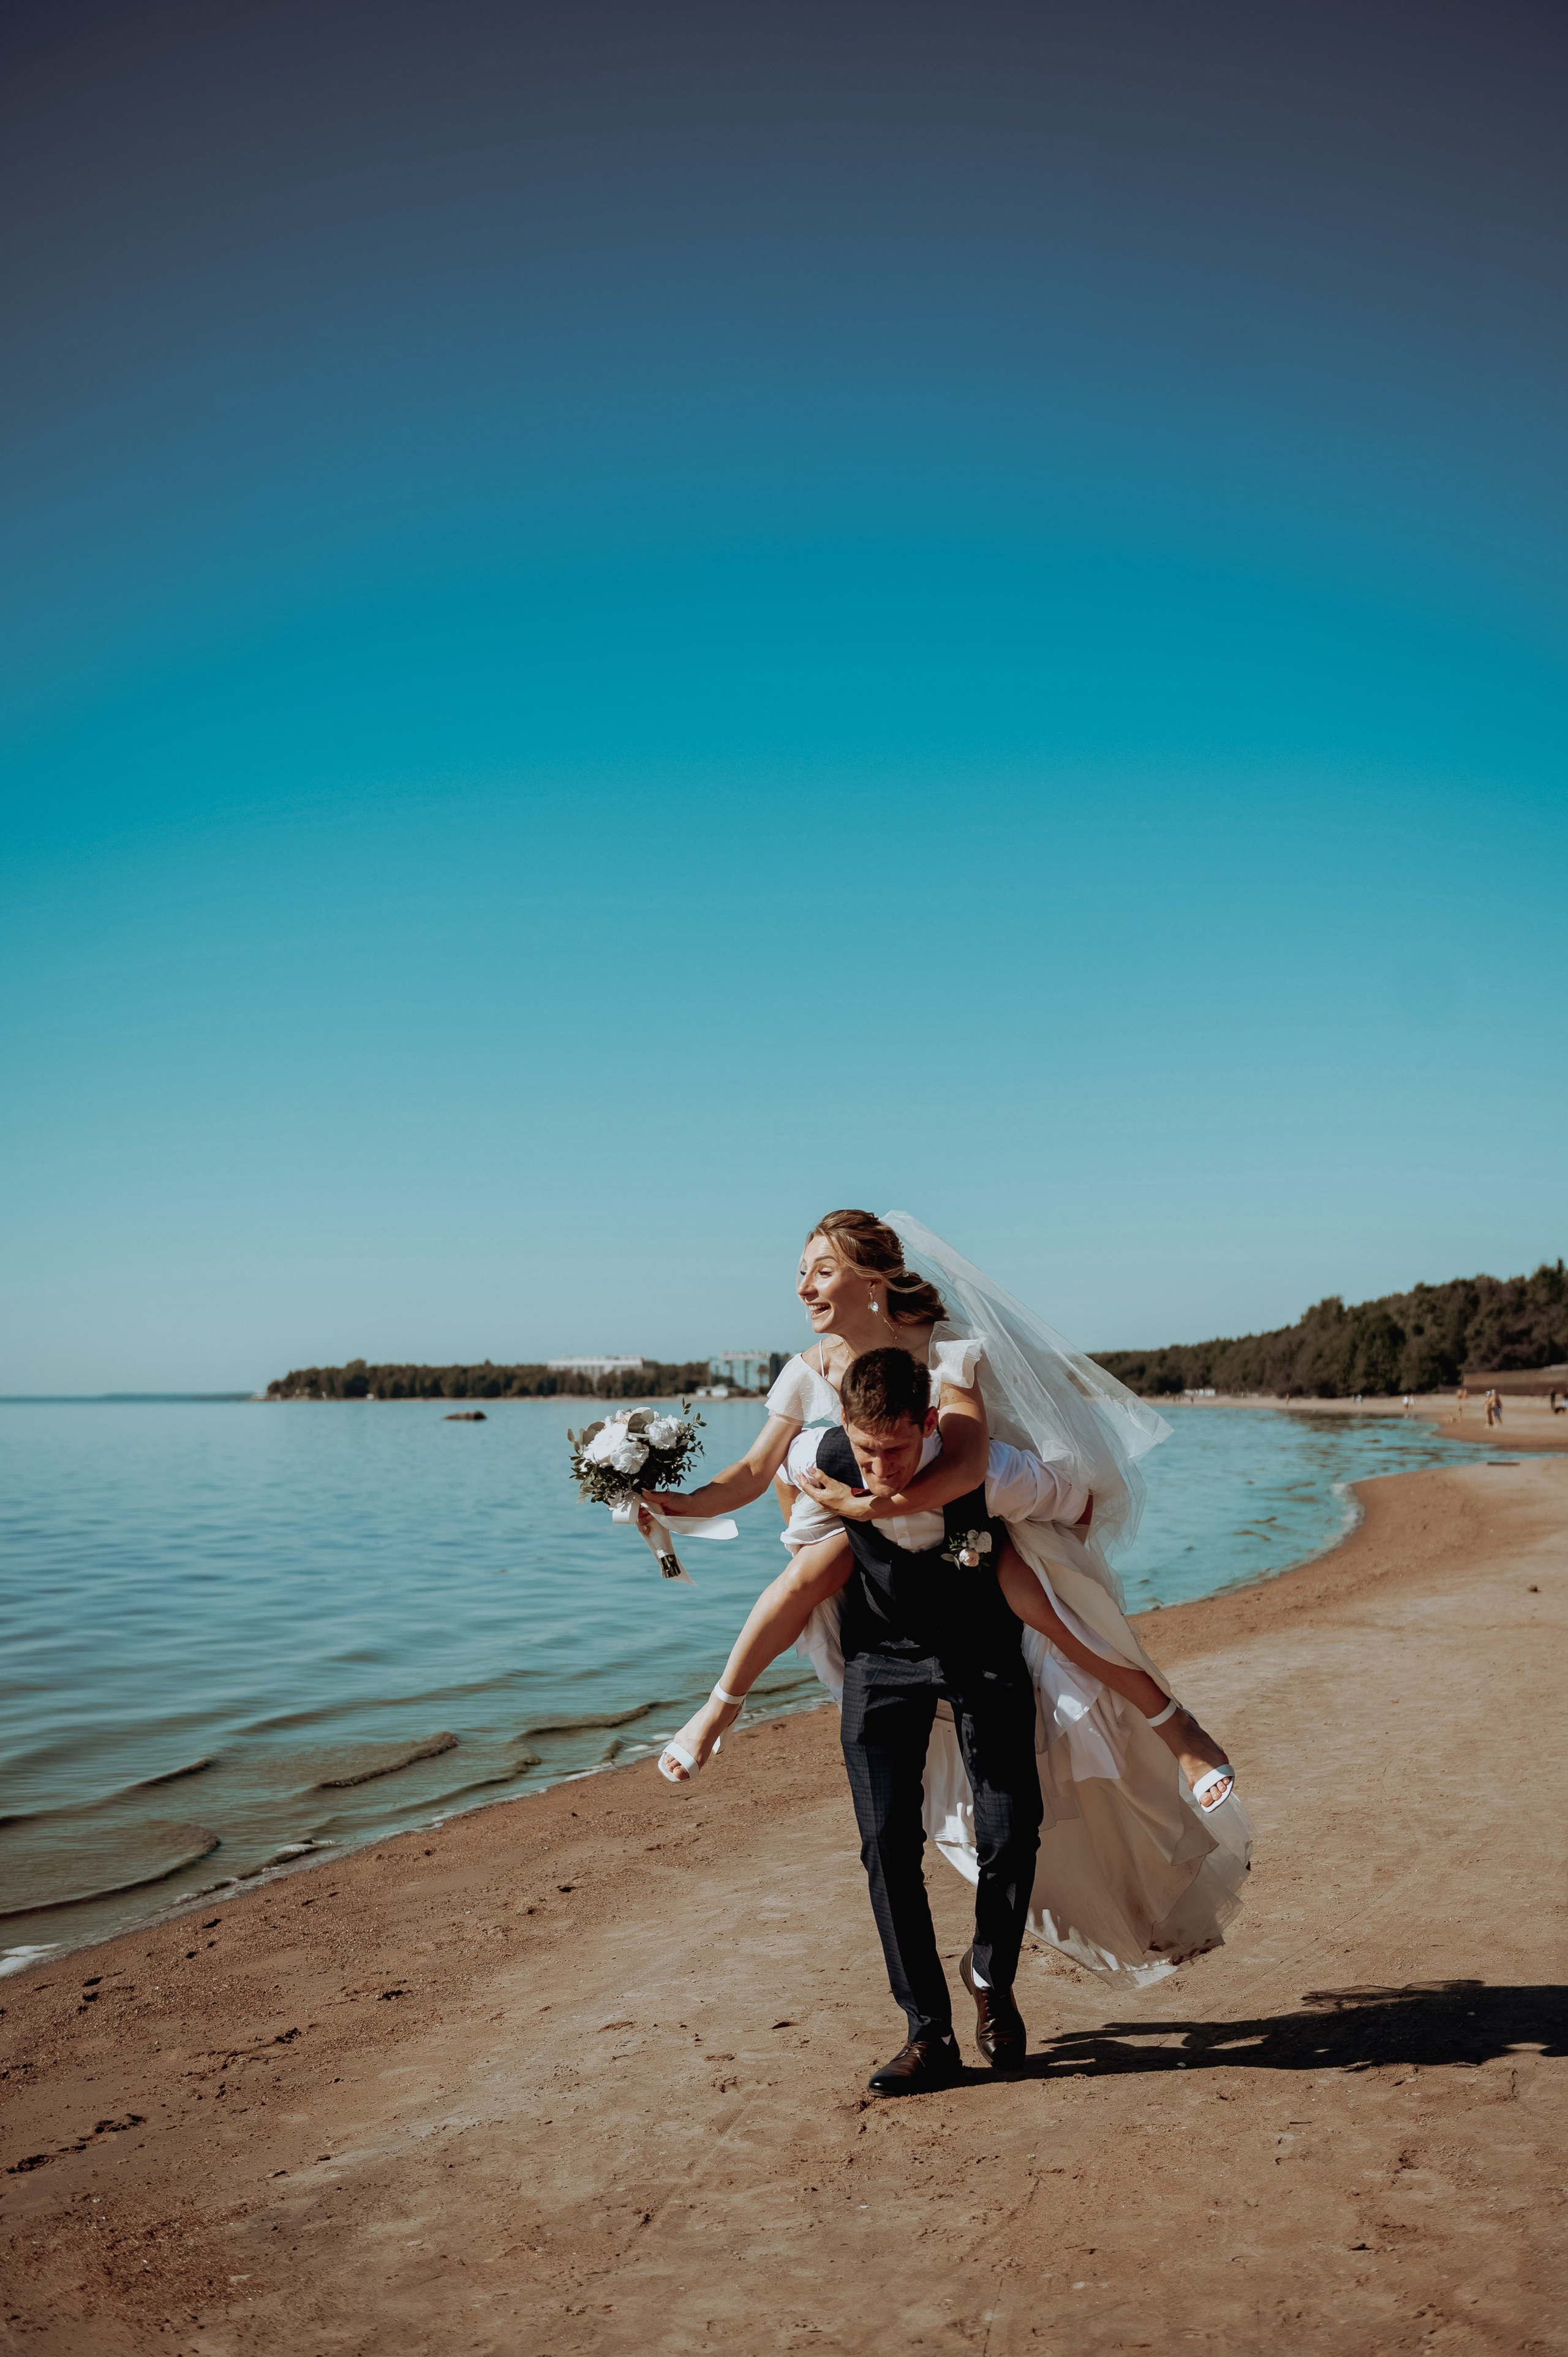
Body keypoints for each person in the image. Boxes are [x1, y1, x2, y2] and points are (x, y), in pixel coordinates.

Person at [647, 1211, 1250, 2021]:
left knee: (1058, 1657)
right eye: (799, 1271)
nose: (802, 1287)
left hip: (976, 1534)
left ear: (872, 1277)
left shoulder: (951, 1351)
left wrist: (871, 1500)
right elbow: (753, 1472)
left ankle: (1171, 1736)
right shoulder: (806, 1370)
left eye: (820, 1271)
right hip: (876, 1592)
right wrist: (677, 1502)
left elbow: (966, 1460)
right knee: (813, 1601)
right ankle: (924, 2028)